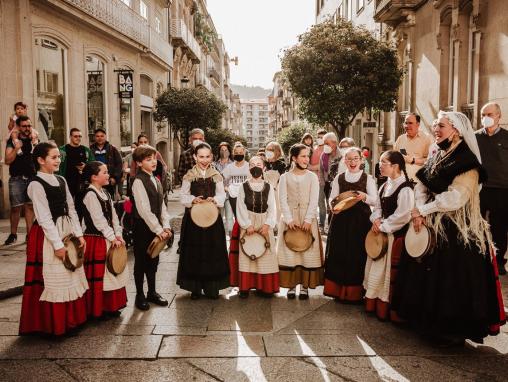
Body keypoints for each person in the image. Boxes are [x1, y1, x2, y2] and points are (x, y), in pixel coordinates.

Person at [393, 111, 506, 346]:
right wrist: (419, 210)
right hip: (430, 221)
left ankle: (451, 331)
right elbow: (422, 186)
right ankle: (425, 322)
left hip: (456, 228)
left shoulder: (467, 160)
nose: (436, 129)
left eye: (441, 125)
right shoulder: (438, 155)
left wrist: (424, 211)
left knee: (451, 278)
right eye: (434, 125)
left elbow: (457, 197)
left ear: (455, 130)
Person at [19, 142, 88, 335]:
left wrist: (78, 234)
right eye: (54, 157)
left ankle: (73, 319)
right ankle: (55, 324)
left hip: (67, 228)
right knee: (55, 276)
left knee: (71, 271)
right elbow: (44, 217)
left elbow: (71, 208)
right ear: (41, 160)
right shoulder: (35, 184)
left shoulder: (61, 180)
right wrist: (57, 245)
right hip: (48, 235)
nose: (58, 160)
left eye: (59, 157)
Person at [363, 150, 413, 321]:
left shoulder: (405, 188)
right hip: (381, 233)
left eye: (384, 162)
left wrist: (383, 226)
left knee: (388, 275)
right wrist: (376, 219)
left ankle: (388, 309)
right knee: (375, 269)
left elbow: (403, 215)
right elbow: (377, 207)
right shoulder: (385, 185)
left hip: (394, 237)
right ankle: (374, 304)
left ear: (395, 166)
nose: (380, 165)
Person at [324, 147, 377, 303]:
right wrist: (334, 207)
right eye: (349, 159)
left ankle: (354, 293)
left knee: (357, 255)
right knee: (339, 253)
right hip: (341, 220)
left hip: (360, 222)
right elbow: (332, 198)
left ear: (361, 160)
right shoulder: (339, 178)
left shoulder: (367, 178)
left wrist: (364, 196)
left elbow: (375, 200)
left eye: (356, 158)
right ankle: (338, 291)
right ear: (344, 161)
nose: (352, 162)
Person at [177, 142, 229, 299]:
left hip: (212, 220)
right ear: (194, 157)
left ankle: (212, 287)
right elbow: (183, 196)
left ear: (212, 156)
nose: (204, 160)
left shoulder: (217, 175)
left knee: (212, 252)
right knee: (195, 252)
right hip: (193, 220)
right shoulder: (189, 175)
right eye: (201, 156)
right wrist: (193, 200)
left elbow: (222, 195)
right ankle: (195, 287)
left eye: (207, 156)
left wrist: (215, 199)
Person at [81, 161, 128, 318]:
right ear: (94, 177)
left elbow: (114, 217)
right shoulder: (90, 194)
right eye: (105, 172)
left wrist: (118, 234)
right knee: (101, 275)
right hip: (96, 239)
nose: (108, 175)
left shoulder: (105, 193)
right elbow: (98, 220)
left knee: (113, 271)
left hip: (109, 238)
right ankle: (98, 308)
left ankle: (111, 306)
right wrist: (111, 236)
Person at [277, 144, 324, 299]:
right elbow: (282, 199)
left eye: (307, 156)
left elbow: (314, 200)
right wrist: (289, 219)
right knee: (291, 253)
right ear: (294, 158)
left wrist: (309, 219)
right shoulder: (285, 177)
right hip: (290, 218)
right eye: (303, 156)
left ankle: (304, 287)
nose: (306, 159)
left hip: (306, 218)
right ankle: (291, 286)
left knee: (306, 252)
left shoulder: (312, 177)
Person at [229, 156, 279, 298]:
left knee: (265, 254)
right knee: (248, 253)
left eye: (258, 164)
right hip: (249, 222)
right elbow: (241, 206)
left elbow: (272, 207)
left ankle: (265, 286)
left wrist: (268, 224)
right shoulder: (243, 186)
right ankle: (245, 287)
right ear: (249, 168)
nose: (255, 167)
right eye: (252, 165)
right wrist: (247, 224)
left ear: (263, 168)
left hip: (264, 222)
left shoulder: (268, 186)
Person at [131, 145, 173, 310]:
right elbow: (144, 210)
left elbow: (162, 205)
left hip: (157, 228)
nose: (153, 162)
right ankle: (139, 295)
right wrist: (158, 230)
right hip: (143, 228)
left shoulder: (155, 179)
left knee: (153, 259)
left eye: (154, 158)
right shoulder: (138, 181)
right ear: (139, 163)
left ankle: (152, 292)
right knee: (141, 261)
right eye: (148, 159)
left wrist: (166, 226)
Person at [476, 102, 508, 274]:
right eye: (482, 115)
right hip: (480, 188)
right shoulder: (475, 137)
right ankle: (479, 256)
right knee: (477, 223)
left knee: (499, 226)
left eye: (489, 114)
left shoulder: (506, 137)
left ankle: (499, 261)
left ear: (498, 116)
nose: (485, 118)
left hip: (501, 189)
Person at [4, 115, 36, 245]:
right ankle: (13, 234)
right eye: (24, 126)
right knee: (15, 208)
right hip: (16, 179)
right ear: (19, 127)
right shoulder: (12, 142)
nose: (27, 128)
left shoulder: (34, 140)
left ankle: (29, 235)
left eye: (29, 125)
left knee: (29, 206)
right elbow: (7, 160)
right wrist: (17, 148)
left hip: (31, 178)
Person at [394, 113, 433, 181]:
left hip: (417, 182)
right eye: (406, 123)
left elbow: (430, 161)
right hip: (400, 181)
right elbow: (394, 159)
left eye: (410, 123)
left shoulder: (427, 139)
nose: (407, 125)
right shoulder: (400, 139)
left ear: (418, 124)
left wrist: (413, 160)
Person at [58, 128, 95, 198]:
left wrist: (86, 167)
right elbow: (57, 166)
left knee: (81, 205)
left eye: (79, 136)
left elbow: (93, 165)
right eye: (75, 136)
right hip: (67, 182)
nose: (78, 138)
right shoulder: (62, 150)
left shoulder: (86, 150)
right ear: (70, 137)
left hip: (82, 183)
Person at [90, 128, 123, 197]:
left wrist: (114, 177)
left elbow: (119, 164)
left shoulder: (112, 149)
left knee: (109, 198)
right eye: (97, 136)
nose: (100, 138)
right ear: (94, 137)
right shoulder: (90, 149)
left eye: (102, 136)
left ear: (105, 136)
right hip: (96, 181)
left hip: (109, 180)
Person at [222, 144, 250, 218]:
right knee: (238, 218)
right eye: (236, 153)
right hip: (234, 197)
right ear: (233, 154)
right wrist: (226, 188)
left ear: (244, 153)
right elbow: (222, 178)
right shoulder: (230, 167)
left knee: (247, 217)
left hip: (246, 196)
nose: (239, 154)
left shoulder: (249, 166)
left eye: (240, 153)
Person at [214, 142, 234, 234]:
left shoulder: (234, 164)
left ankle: (232, 241)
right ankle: (220, 239)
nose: (224, 152)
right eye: (222, 150)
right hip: (218, 195)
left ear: (229, 151)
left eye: (226, 150)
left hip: (229, 195)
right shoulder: (214, 164)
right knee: (219, 218)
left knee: (229, 218)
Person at [309, 129, 327, 228]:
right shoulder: (314, 149)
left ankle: (322, 224)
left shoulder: (326, 150)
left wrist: (310, 167)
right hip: (312, 180)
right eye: (319, 137)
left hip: (322, 180)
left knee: (321, 202)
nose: (320, 139)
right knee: (313, 203)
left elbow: (322, 166)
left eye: (322, 138)